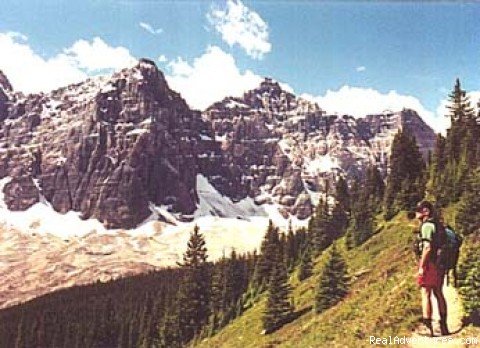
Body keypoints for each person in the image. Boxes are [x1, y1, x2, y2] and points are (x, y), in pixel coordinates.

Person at [415, 200, 449, 336]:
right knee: (438, 293)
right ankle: (444, 326)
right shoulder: (438, 224)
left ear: (426, 212)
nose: (416, 212)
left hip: (430, 263)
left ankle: (427, 327)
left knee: (425, 293)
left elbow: (427, 247)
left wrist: (422, 266)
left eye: (419, 210)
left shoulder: (427, 226)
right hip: (440, 262)